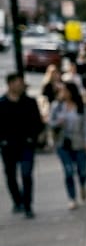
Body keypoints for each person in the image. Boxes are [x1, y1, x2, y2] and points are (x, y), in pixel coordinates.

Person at [0, 72, 44, 218]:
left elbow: (38, 122)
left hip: (26, 145)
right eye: (17, 83)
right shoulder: (2, 104)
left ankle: (27, 205)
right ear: (10, 84)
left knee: (26, 174)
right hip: (8, 146)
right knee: (11, 175)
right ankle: (17, 200)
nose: (20, 86)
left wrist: (33, 138)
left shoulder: (29, 102)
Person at [48, 83, 86, 209]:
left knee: (82, 171)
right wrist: (58, 122)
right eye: (61, 91)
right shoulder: (56, 106)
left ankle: (83, 185)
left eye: (65, 90)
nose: (63, 93)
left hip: (79, 143)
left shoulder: (80, 107)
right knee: (68, 171)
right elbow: (50, 123)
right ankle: (72, 198)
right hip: (63, 144)